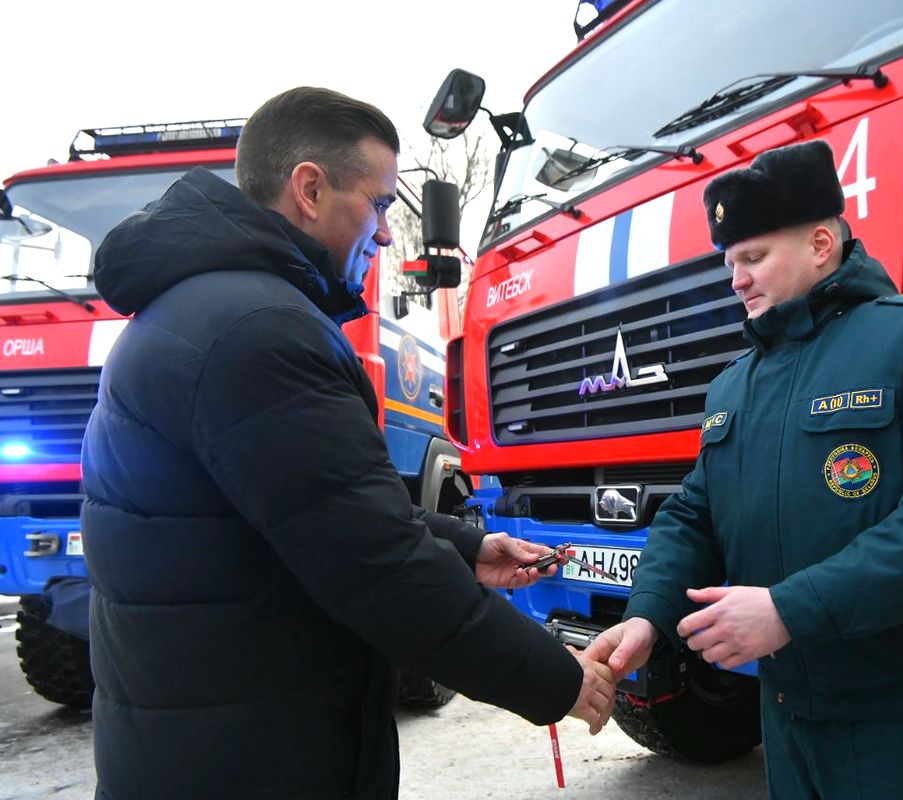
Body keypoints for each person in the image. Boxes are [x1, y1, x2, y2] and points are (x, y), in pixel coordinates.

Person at [81, 87, 613, 800]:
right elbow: (376, 565)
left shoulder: (210, 309)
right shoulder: (255, 331)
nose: (389, 233)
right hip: (251, 759)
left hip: (212, 737)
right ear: (309, 188)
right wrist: (557, 678)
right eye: (382, 202)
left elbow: (306, 511)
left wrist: (466, 549)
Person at [585, 140, 903, 798]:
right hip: (787, 717)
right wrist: (649, 616)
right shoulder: (736, 386)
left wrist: (791, 610)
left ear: (821, 244)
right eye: (730, 261)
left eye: (753, 257)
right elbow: (695, 515)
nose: (736, 278)